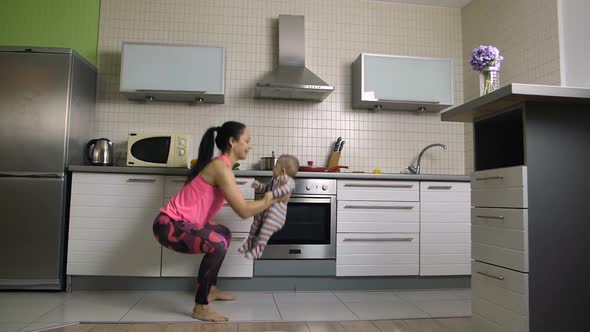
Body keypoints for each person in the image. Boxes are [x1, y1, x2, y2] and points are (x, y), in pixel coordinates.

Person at [152, 121, 287, 322]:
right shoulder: (220, 168)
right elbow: (243, 210)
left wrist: (274, 194)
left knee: (223, 233)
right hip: (168, 225)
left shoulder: (224, 167)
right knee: (217, 242)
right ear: (233, 142)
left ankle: (211, 289)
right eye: (247, 141)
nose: (250, 145)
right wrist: (273, 198)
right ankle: (201, 306)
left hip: (182, 223)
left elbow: (245, 204)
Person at [238, 154, 299, 259]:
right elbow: (266, 189)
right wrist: (259, 186)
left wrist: (273, 194)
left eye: (275, 167)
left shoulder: (288, 181)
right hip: (265, 212)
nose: (273, 169)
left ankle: (258, 250)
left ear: (283, 171)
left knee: (263, 232)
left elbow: (286, 189)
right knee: (254, 226)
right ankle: (249, 243)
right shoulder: (274, 180)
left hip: (275, 217)